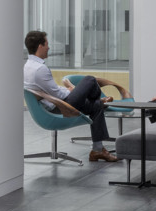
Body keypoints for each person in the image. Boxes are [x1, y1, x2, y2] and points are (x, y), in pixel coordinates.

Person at [22, 30, 119, 162]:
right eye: (47, 44)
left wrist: (69, 89)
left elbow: (52, 90)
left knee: (97, 107)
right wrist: (73, 89)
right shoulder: (40, 69)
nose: (49, 47)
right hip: (59, 107)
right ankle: (98, 100)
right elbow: (57, 94)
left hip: (51, 105)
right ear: (40, 46)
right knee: (90, 80)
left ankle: (97, 150)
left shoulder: (27, 66)